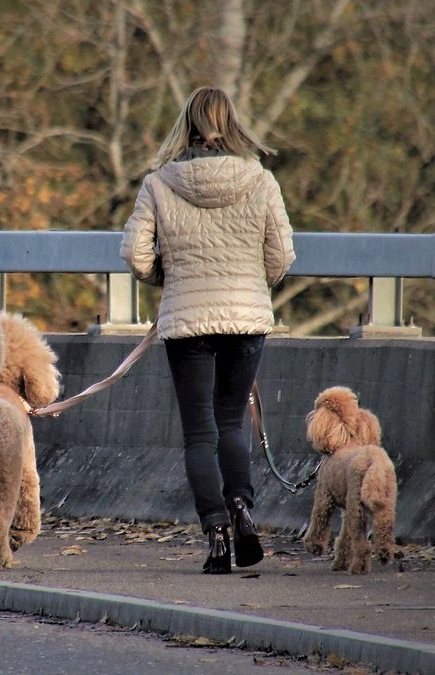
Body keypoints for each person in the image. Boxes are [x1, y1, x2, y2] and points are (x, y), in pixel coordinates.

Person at [120, 86, 295, 574]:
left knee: (200, 433)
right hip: (245, 318)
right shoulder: (260, 180)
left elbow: (134, 256)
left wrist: (167, 276)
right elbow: (281, 258)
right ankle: (242, 508)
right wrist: (250, 283)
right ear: (232, 123)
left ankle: (216, 531)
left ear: (186, 124)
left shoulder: (159, 183)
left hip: (188, 320)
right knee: (231, 422)